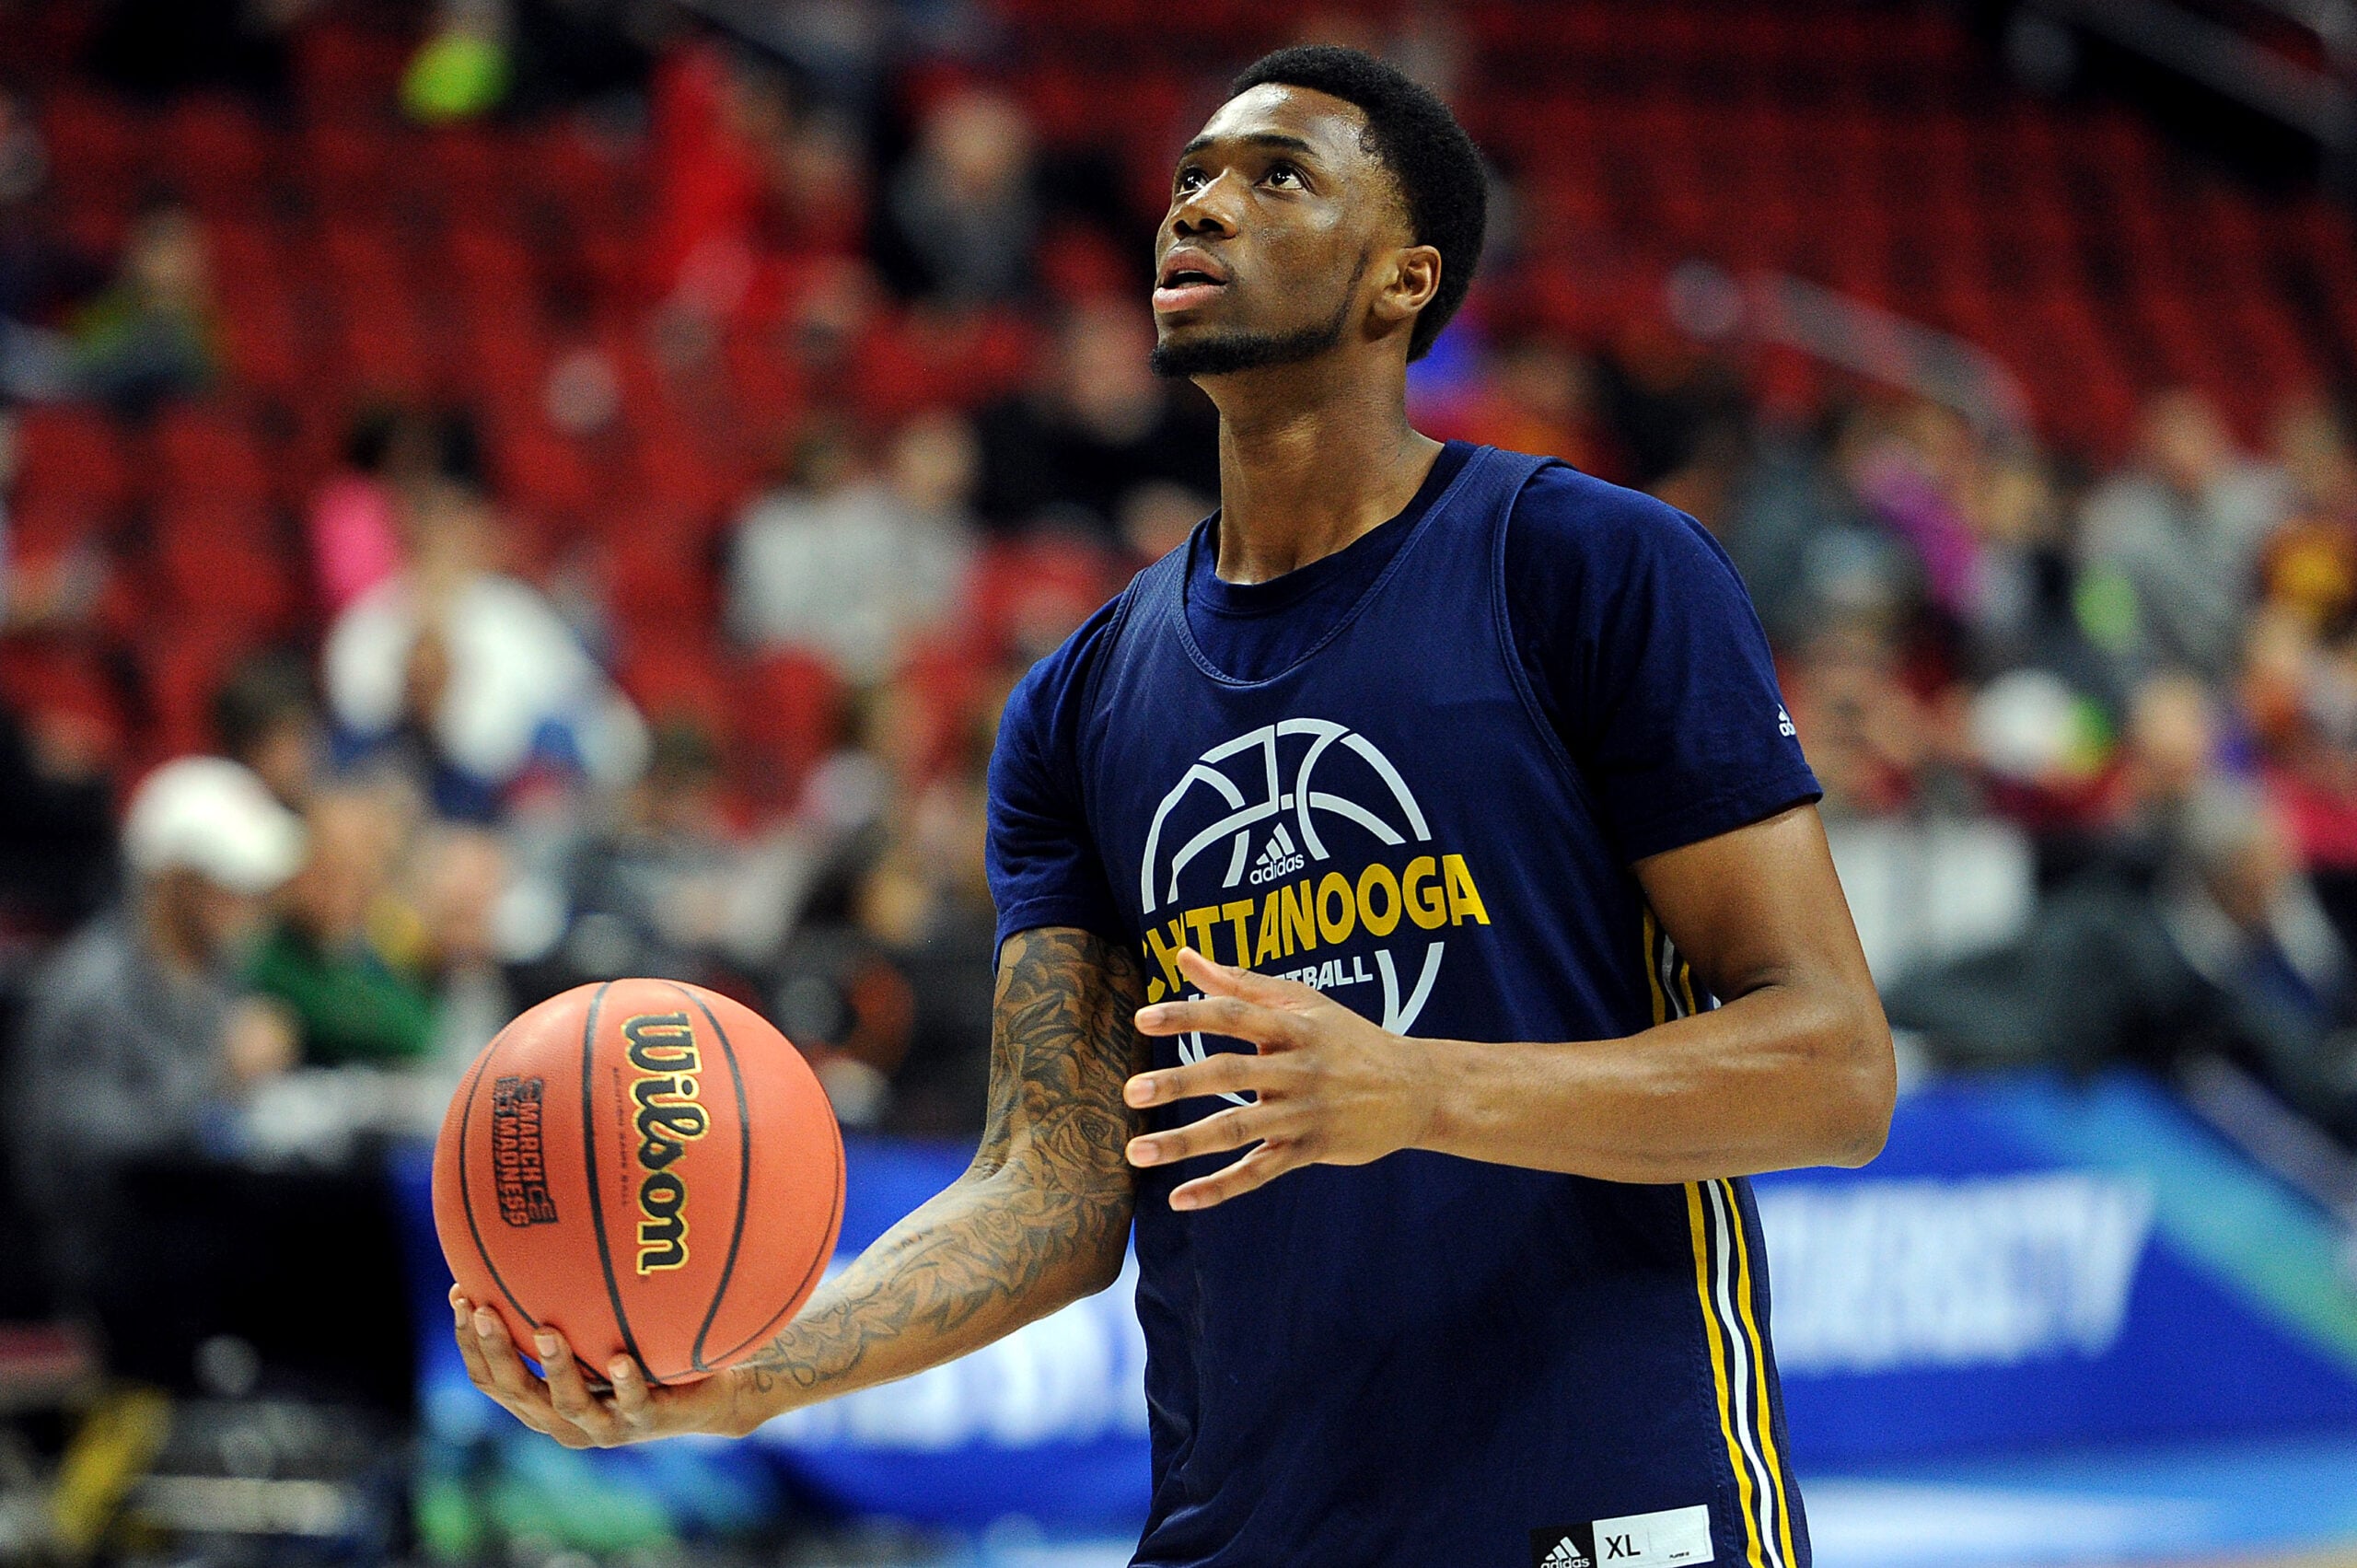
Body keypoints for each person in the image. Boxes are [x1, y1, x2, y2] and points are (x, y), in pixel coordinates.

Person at [452, 46, 1893, 1568]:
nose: (1200, 208)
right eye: (1192, 176)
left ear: (1408, 280)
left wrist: (1417, 1091)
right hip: (1241, 1534)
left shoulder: (1594, 570)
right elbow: (1052, 1191)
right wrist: (737, 1377)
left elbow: (1832, 1065)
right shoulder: (1078, 701)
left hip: (1602, 1511)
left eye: (1278, 178)